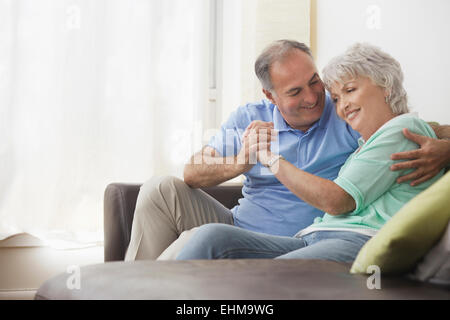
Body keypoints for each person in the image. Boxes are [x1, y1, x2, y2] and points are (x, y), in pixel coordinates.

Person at [125, 40, 450, 261]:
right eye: (295, 91)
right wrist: (242, 161)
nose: (312, 97)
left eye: (315, 83)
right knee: (160, 189)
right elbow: (192, 173)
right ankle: (133, 283)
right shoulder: (250, 117)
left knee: (193, 244)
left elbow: (405, 127)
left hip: (304, 236)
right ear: (271, 96)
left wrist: (446, 150)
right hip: (240, 225)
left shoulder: (347, 116)